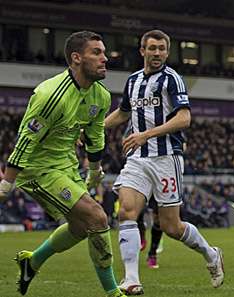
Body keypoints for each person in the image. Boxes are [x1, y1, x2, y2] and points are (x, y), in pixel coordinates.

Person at [0, 31, 126, 297]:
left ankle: (31, 262)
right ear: (76, 58)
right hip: (38, 169)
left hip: (66, 164)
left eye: (104, 52)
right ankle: (114, 293)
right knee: (97, 216)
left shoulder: (100, 96)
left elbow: (95, 135)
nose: (105, 59)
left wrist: (94, 168)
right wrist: (6, 183)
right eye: (97, 53)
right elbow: (26, 140)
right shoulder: (50, 95)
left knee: (81, 227)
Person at [104, 29, 224, 295]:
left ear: (167, 53)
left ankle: (211, 254)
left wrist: (145, 134)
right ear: (142, 50)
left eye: (161, 49)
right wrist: (96, 128)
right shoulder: (133, 80)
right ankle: (132, 279)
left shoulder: (172, 79)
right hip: (137, 159)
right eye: (152, 48)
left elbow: (184, 118)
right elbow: (123, 114)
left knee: (171, 226)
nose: (156, 53)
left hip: (166, 158)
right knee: (126, 211)